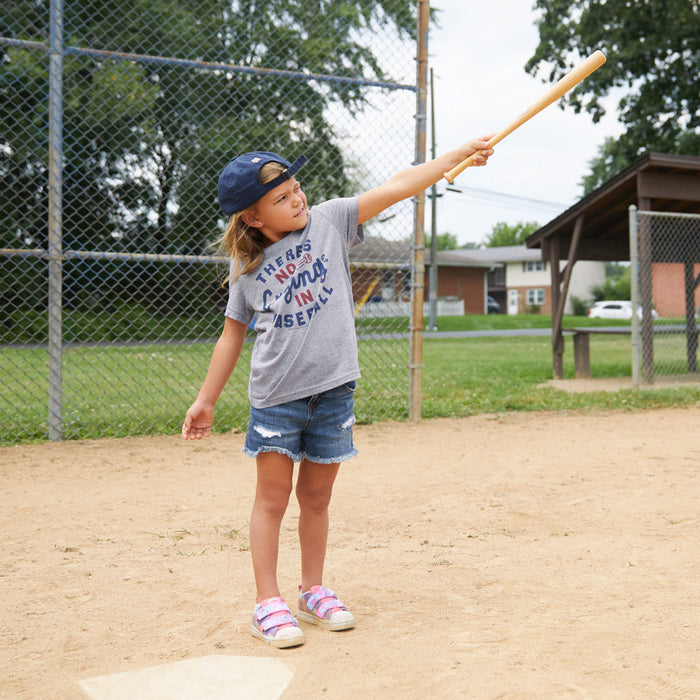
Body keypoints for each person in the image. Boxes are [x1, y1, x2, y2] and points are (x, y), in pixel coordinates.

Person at [181, 139, 493, 648]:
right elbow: (231, 335)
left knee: (317, 498)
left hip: (334, 392)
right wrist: (206, 399)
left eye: (295, 188)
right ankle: (267, 602)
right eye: (281, 199)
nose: (297, 199)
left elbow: (397, 186)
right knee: (273, 499)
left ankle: (313, 590)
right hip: (277, 397)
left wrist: (454, 157)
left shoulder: (330, 221)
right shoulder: (247, 269)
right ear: (254, 219)